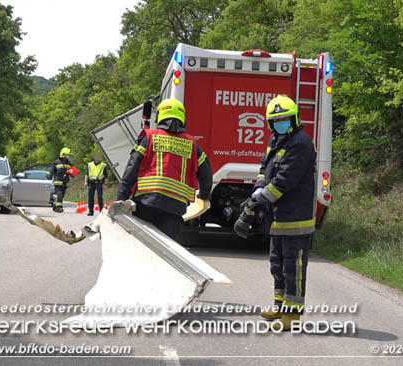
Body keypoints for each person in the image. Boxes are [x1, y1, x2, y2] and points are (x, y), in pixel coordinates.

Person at [234, 95, 317, 330]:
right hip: (277, 217)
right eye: (276, 120)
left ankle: (292, 314)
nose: (280, 122)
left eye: (284, 118)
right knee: (276, 264)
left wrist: (254, 205)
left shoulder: (301, 143)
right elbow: (265, 170)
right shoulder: (276, 140)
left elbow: (283, 182)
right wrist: (257, 190)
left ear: (294, 119)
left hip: (296, 218)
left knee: (294, 267)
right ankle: (279, 306)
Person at [117, 98, 212, 240]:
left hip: (146, 203)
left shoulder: (149, 137)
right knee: (163, 251)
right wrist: (203, 196)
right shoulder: (192, 144)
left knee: (141, 245)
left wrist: (121, 200)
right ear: (183, 117)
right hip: (174, 209)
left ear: (160, 116)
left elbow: (131, 169)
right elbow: (206, 174)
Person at [49, 147, 74, 213]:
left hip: (65, 182)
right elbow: (51, 171)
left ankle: (55, 204)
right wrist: (49, 176)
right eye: (67, 155)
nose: (69, 156)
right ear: (63, 154)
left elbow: (74, 171)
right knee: (59, 193)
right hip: (57, 181)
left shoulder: (69, 163)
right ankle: (59, 208)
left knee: (61, 195)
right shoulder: (56, 162)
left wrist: (71, 172)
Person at [84, 152, 108, 216]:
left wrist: (105, 184)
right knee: (90, 197)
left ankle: (101, 211)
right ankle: (91, 211)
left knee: (100, 197)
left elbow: (106, 176)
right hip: (91, 183)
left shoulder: (103, 165)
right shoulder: (90, 164)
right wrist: (85, 182)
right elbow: (87, 174)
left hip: (99, 183)